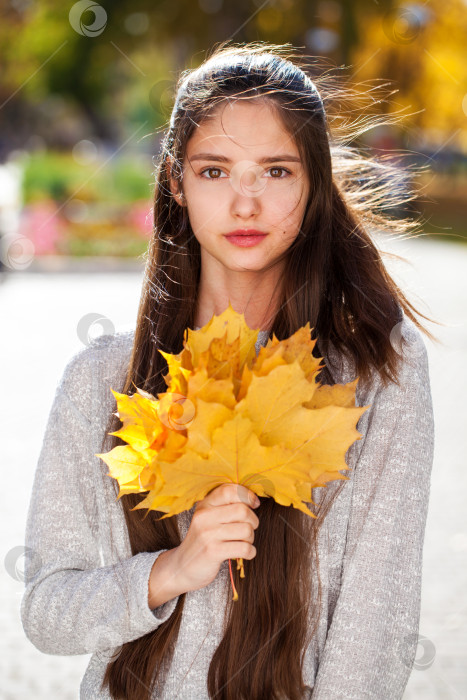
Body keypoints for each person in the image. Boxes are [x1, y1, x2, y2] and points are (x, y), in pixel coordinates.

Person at [21, 41, 437, 700]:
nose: (245, 205)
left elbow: (375, 632)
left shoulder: (379, 373)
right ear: (176, 184)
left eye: (275, 172)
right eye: (214, 171)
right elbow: (47, 612)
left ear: (313, 187)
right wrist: (171, 571)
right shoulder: (99, 381)